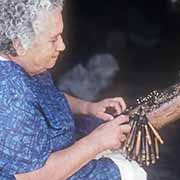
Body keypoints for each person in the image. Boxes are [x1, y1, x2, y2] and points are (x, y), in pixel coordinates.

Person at [0, 0, 147, 180]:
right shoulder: (11, 97)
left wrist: (88, 107)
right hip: (50, 173)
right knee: (132, 173)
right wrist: (97, 142)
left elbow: (50, 98)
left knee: (121, 142)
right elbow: (33, 177)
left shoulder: (29, 64)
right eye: (53, 39)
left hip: (63, 148)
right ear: (19, 45)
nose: (62, 46)